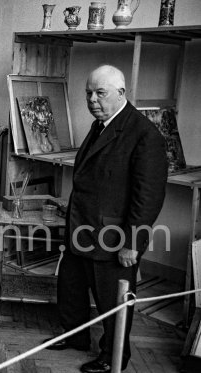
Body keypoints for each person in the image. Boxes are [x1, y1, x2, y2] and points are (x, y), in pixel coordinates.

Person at [44, 65, 168, 373]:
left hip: (113, 237)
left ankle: (114, 357)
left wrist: (132, 243)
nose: (92, 100)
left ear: (121, 93)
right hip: (82, 227)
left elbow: (148, 198)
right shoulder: (101, 124)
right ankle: (75, 337)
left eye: (101, 93)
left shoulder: (144, 135)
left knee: (113, 302)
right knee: (71, 287)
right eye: (89, 93)